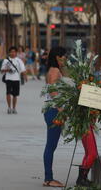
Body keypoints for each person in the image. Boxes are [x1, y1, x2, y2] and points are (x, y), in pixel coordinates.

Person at [42, 46, 68, 188]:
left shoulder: (54, 70)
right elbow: (52, 91)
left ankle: (48, 177)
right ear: (58, 57)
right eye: (64, 56)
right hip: (53, 111)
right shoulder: (55, 71)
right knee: (51, 146)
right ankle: (48, 179)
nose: (65, 58)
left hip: (51, 111)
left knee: (51, 146)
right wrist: (61, 109)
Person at [1, 46, 27, 114]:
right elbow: (2, 70)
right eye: (11, 52)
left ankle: (14, 108)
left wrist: (25, 76)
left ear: (16, 53)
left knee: (15, 95)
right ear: (9, 53)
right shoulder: (6, 60)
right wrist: (7, 69)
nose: (12, 53)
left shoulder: (19, 60)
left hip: (16, 79)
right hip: (8, 79)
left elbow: (23, 69)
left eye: (14, 52)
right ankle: (9, 108)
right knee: (8, 93)